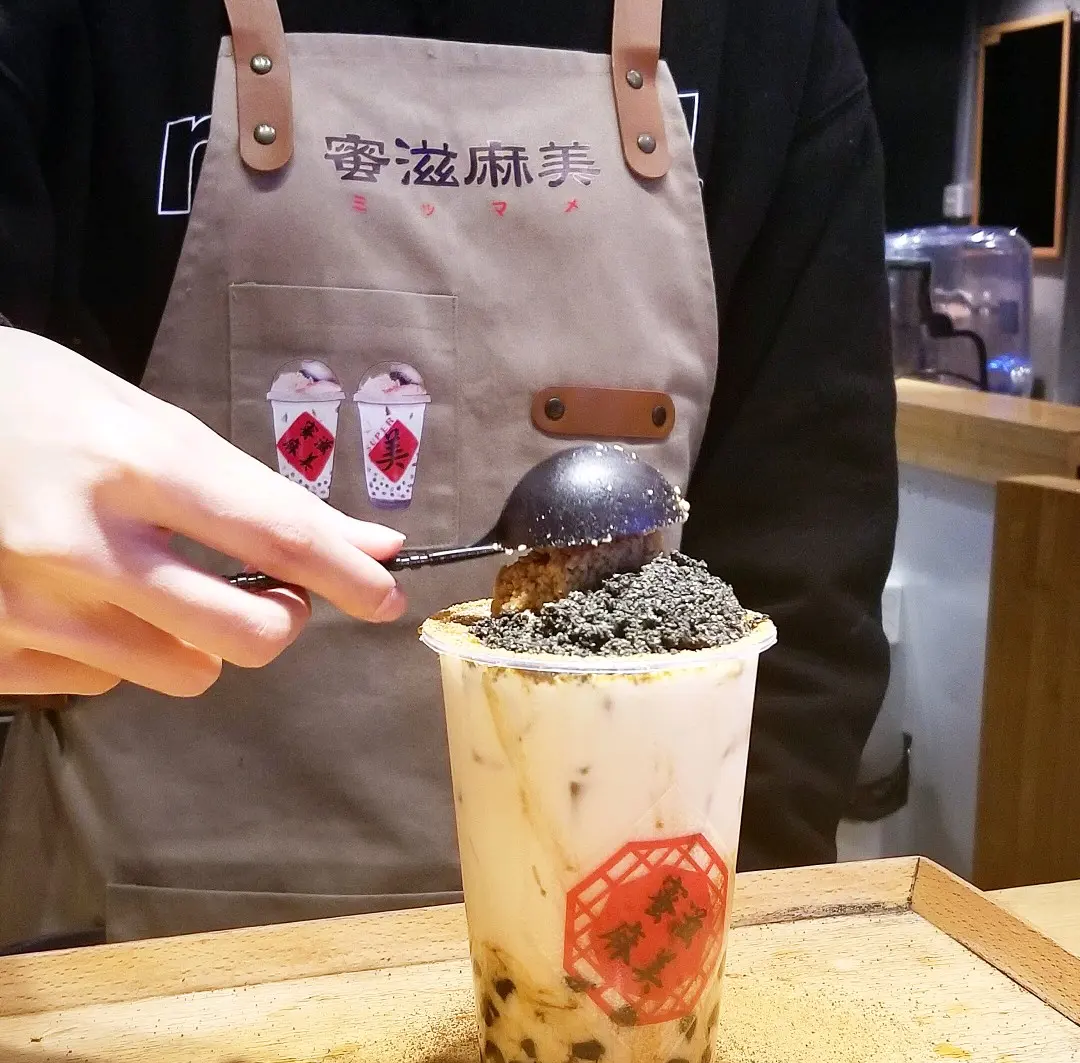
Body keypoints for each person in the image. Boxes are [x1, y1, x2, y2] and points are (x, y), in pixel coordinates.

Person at [0, 0, 897, 947]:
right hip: (136, 955)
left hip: (617, 935)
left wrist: (740, 932)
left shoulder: (768, 36)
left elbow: (806, 589)